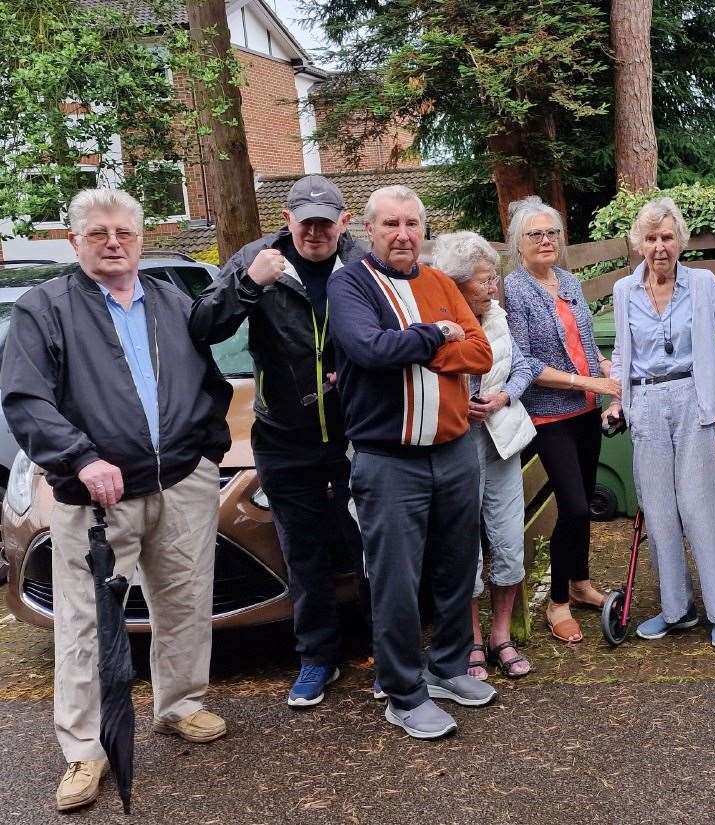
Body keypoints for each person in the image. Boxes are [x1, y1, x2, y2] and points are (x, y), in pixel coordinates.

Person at [0, 189, 233, 812]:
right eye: (98, 233)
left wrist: (207, 447)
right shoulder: (43, 309)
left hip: (181, 480)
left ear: (139, 240)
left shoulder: (167, 300)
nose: (113, 242)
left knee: (184, 598)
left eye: (124, 233)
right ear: (75, 242)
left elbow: (208, 378)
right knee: (85, 623)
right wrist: (80, 456)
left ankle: (180, 704)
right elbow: (26, 400)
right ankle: (84, 749)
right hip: (98, 494)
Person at [189, 174, 367, 709]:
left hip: (356, 431)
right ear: (287, 220)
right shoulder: (256, 258)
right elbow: (202, 326)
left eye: (325, 222)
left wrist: (353, 372)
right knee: (303, 549)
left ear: (343, 221)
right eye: (304, 221)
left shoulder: (363, 262)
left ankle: (386, 651)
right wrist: (249, 283)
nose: (314, 232)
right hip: (283, 434)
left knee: (371, 545)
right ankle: (316, 658)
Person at [328, 185, 495, 740]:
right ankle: (403, 692)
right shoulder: (351, 282)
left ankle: (448, 667)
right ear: (370, 230)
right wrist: (433, 335)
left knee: (454, 568)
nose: (403, 235)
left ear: (424, 230)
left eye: (412, 225)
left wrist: (420, 344)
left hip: (452, 452)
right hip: (388, 460)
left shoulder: (441, 281)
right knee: (396, 580)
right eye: (390, 225)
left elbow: (480, 352)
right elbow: (369, 349)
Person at [603, 197, 715, 648]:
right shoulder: (623, 291)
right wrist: (616, 399)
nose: (659, 247)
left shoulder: (703, 284)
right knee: (659, 509)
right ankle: (677, 609)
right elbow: (622, 357)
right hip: (645, 403)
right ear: (638, 244)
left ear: (680, 241)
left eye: (667, 237)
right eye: (650, 238)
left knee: (700, 507)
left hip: (693, 399)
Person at [503, 196, 621, 645]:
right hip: (548, 415)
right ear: (519, 245)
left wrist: (605, 369)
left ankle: (580, 581)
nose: (546, 240)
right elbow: (527, 362)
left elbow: (583, 342)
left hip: (585, 412)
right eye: (535, 234)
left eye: (552, 232)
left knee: (585, 498)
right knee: (571, 506)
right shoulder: (515, 288)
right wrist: (587, 384)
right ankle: (556, 602)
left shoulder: (567, 280)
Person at [433, 231, 536, 679]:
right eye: (483, 280)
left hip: (501, 440)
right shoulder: (438, 322)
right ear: (456, 284)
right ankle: (471, 639)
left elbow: (526, 365)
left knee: (509, 539)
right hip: (456, 442)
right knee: (464, 544)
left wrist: (505, 396)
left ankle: (502, 635)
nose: (493, 286)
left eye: (493, 277)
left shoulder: (499, 316)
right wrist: (459, 402)